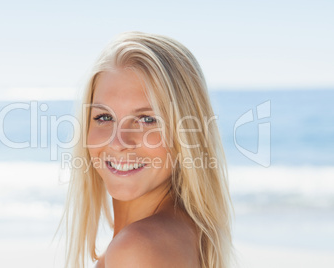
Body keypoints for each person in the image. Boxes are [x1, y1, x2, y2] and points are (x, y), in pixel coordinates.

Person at [61, 31, 234, 268]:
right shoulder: (183, 235)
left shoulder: (138, 249)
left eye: (147, 119)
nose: (118, 142)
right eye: (104, 117)